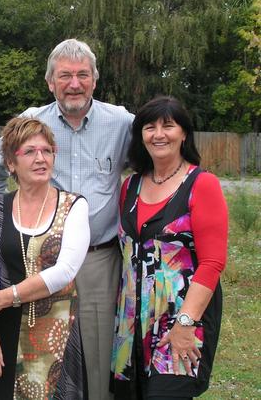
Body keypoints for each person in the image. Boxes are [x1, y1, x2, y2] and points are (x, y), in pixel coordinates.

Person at [0, 38, 133, 400]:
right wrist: (3, 224)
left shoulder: (122, 122)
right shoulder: (33, 123)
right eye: (65, 75)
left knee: (93, 352)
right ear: (50, 82)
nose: (74, 84)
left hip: (97, 259)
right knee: (36, 348)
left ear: (95, 80)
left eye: (82, 75)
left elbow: (151, 163)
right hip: (41, 257)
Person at [111, 95, 228, 400]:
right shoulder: (131, 186)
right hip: (130, 324)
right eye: (150, 127)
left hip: (179, 320)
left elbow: (212, 262)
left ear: (184, 133)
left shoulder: (202, 184)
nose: (159, 134)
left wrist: (185, 324)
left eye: (168, 125)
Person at [0, 117, 90, 399]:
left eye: (47, 151)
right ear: (11, 163)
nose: (41, 158)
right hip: (3, 329)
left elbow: (65, 271)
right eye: (30, 151)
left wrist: (5, 297)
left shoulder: (74, 206)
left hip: (56, 330)